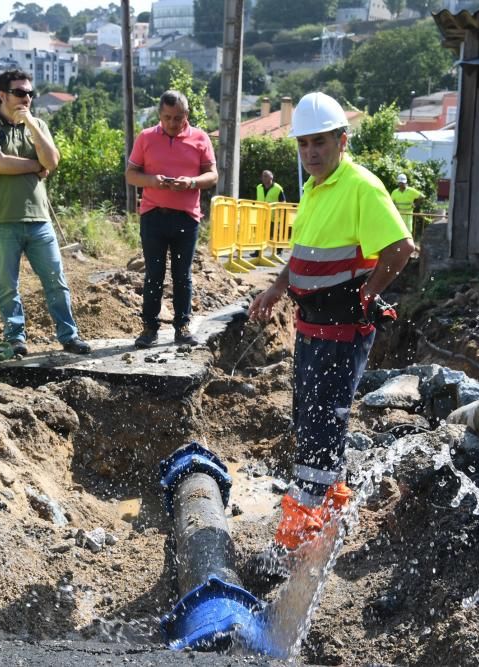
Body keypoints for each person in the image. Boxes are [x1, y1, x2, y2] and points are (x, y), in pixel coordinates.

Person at [248, 92, 416, 567]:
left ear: (342, 141)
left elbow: (400, 249)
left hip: (341, 331)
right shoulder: (315, 190)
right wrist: (277, 290)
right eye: (303, 145)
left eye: (319, 143)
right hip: (310, 328)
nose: (310, 153)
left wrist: (367, 294)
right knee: (311, 415)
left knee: (322, 420)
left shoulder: (361, 186)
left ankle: (299, 534)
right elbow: (303, 254)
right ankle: (332, 502)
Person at [0, 69, 90, 357]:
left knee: (56, 281)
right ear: (2, 94)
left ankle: (69, 335)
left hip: (39, 219)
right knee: (7, 285)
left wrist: (33, 128)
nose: (27, 97)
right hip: (2, 219)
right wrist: (35, 166)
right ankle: (15, 338)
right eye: (20, 92)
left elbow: (52, 160)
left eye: (30, 93)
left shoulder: (37, 124)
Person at [124, 90, 218, 349]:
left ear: (186, 115)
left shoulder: (200, 138)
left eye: (178, 118)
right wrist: (152, 181)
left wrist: (191, 182)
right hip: (153, 216)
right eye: (167, 118)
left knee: (182, 275)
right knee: (153, 273)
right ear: (160, 115)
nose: (173, 124)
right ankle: (149, 328)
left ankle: (182, 327)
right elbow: (131, 175)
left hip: (186, 219)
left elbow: (212, 176)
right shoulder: (146, 138)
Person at [390, 173, 424, 239]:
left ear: (405, 182)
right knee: (398, 230)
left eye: (402, 183)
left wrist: (415, 205)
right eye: (400, 183)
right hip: (398, 214)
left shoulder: (411, 191)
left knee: (408, 231)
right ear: (398, 183)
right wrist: (394, 206)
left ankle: (409, 246)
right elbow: (391, 202)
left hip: (408, 214)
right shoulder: (395, 192)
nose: (401, 184)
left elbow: (422, 197)